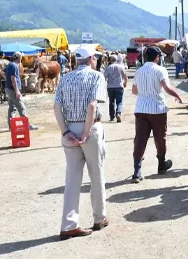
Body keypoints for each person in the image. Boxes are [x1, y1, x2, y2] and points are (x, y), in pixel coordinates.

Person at [53, 46, 108, 240]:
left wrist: (66, 131)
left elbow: (57, 107)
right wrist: (85, 133)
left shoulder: (65, 78)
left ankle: (68, 225)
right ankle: (99, 217)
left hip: (70, 129)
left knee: (72, 179)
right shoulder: (96, 77)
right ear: (91, 58)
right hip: (90, 129)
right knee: (97, 174)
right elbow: (93, 105)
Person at [131, 46, 183, 183]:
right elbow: (167, 88)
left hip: (141, 108)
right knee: (160, 137)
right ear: (157, 57)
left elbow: (134, 91)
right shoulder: (161, 70)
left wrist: (145, 93)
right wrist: (177, 95)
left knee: (140, 138)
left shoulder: (139, 71)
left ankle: (137, 170)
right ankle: (161, 164)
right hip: (157, 109)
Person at [5, 52, 39, 130]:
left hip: (8, 89)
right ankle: (27, 125)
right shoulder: (14, 66)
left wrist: (7, 81)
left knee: (12, 108)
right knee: (21, 107)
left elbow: (3, 73)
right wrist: (17, 91)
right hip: (13, 90)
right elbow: (13, 79)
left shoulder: (9, 65)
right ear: (19, 58)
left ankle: (11, 126)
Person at [103, 55, 128, 122]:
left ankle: (111, 116)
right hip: (119, 86)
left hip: (110, 87)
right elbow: (125, 76)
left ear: (110, 60)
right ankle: (118, 113)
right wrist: (125, 83)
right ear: (116, 60)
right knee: (119, 102)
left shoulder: (108, 67)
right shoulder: (121, 67)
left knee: (111, 102)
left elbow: (104, 78)